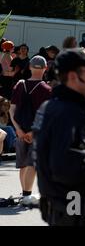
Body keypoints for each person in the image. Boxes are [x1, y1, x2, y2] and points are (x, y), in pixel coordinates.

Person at [33, 48, 85, 226]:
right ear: (72, 76)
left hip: (66, 207)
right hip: (76, 209)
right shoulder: (68, 113)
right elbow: (67, 170)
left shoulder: (55, 106)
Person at [10, 55, 51, 206]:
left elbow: (11, 110)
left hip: (20, 130)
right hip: (36, 132)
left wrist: (18, 129)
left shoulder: (20, 85)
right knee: (32, 164)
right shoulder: (47, 89)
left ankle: (24, 193)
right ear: (46, 68)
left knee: (22, 164)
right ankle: (27, 196)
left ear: (29, 67)